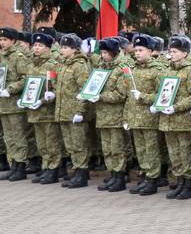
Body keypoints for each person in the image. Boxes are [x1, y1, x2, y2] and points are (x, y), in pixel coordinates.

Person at [119, 34, 164, 196]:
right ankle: (144, 176)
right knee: (140, 150)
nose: (137, 53)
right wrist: (126, 117)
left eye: (141, 50)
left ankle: (152, 179)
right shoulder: (133, 69)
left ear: (150, 51)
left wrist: (144, 97)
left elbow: (162, 95)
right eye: (136, 50)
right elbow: (128, 97)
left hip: (149, 117)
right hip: (134, 117)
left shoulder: (158, 70)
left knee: (150, 149)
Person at [157, 36, 191, 200]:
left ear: (184, 53)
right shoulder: (169, 69)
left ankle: (188, 184)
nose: (172, 54)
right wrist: (160, 104)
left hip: (183, 120)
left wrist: (176, 107)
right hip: (167, 120)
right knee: (174, 154)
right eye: (171, 51)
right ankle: (180, 182)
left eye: (175, 51)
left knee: (185, 153)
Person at [52, 34, 93, 188]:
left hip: (75, 112)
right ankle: (77, 171)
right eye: (61, 47)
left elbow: (84, 90)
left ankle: (82, 174)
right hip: (64, 111)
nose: (62, 50)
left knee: (79, 144)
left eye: (65, 47)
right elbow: (60, 87)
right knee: (70, 145)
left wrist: (80, 111)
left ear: (75, 49)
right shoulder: (64, 64)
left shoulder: (79, 65)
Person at [91, 38, 129, 192]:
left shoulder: (122, 68)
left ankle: (119, 177)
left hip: (116, 116)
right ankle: (112, 174)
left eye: (106, 53)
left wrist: (101, 96)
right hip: (103, 115)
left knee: (117, 148)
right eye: (102, 52)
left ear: (114, 53)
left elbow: (121, 94)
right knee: (107, 148)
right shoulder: (102, 67)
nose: (103, 56)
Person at [25, 32, 60, 184]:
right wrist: (25, 100)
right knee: (41, 143)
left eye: (40, 46)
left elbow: (57, 88)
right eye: (35, 45)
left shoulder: (53, 64)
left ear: (48, 48)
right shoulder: (32, 64)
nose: (36, 48)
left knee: (51, 142)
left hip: (47, 111)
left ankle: (53, 169)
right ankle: (45, 168)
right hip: (34, 111)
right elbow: (28, 86)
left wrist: (46, 98)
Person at [0, 27, 32, 181]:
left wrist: (11, 88)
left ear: (13, 40)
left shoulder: (18, 57)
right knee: (9, 137)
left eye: (5, 40)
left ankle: (21, 165)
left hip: (14, 104)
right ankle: (12, 164)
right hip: (3, 104)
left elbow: (26, 78)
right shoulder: (1, 56)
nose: (2, 43)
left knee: (18, 135)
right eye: (0, 40)